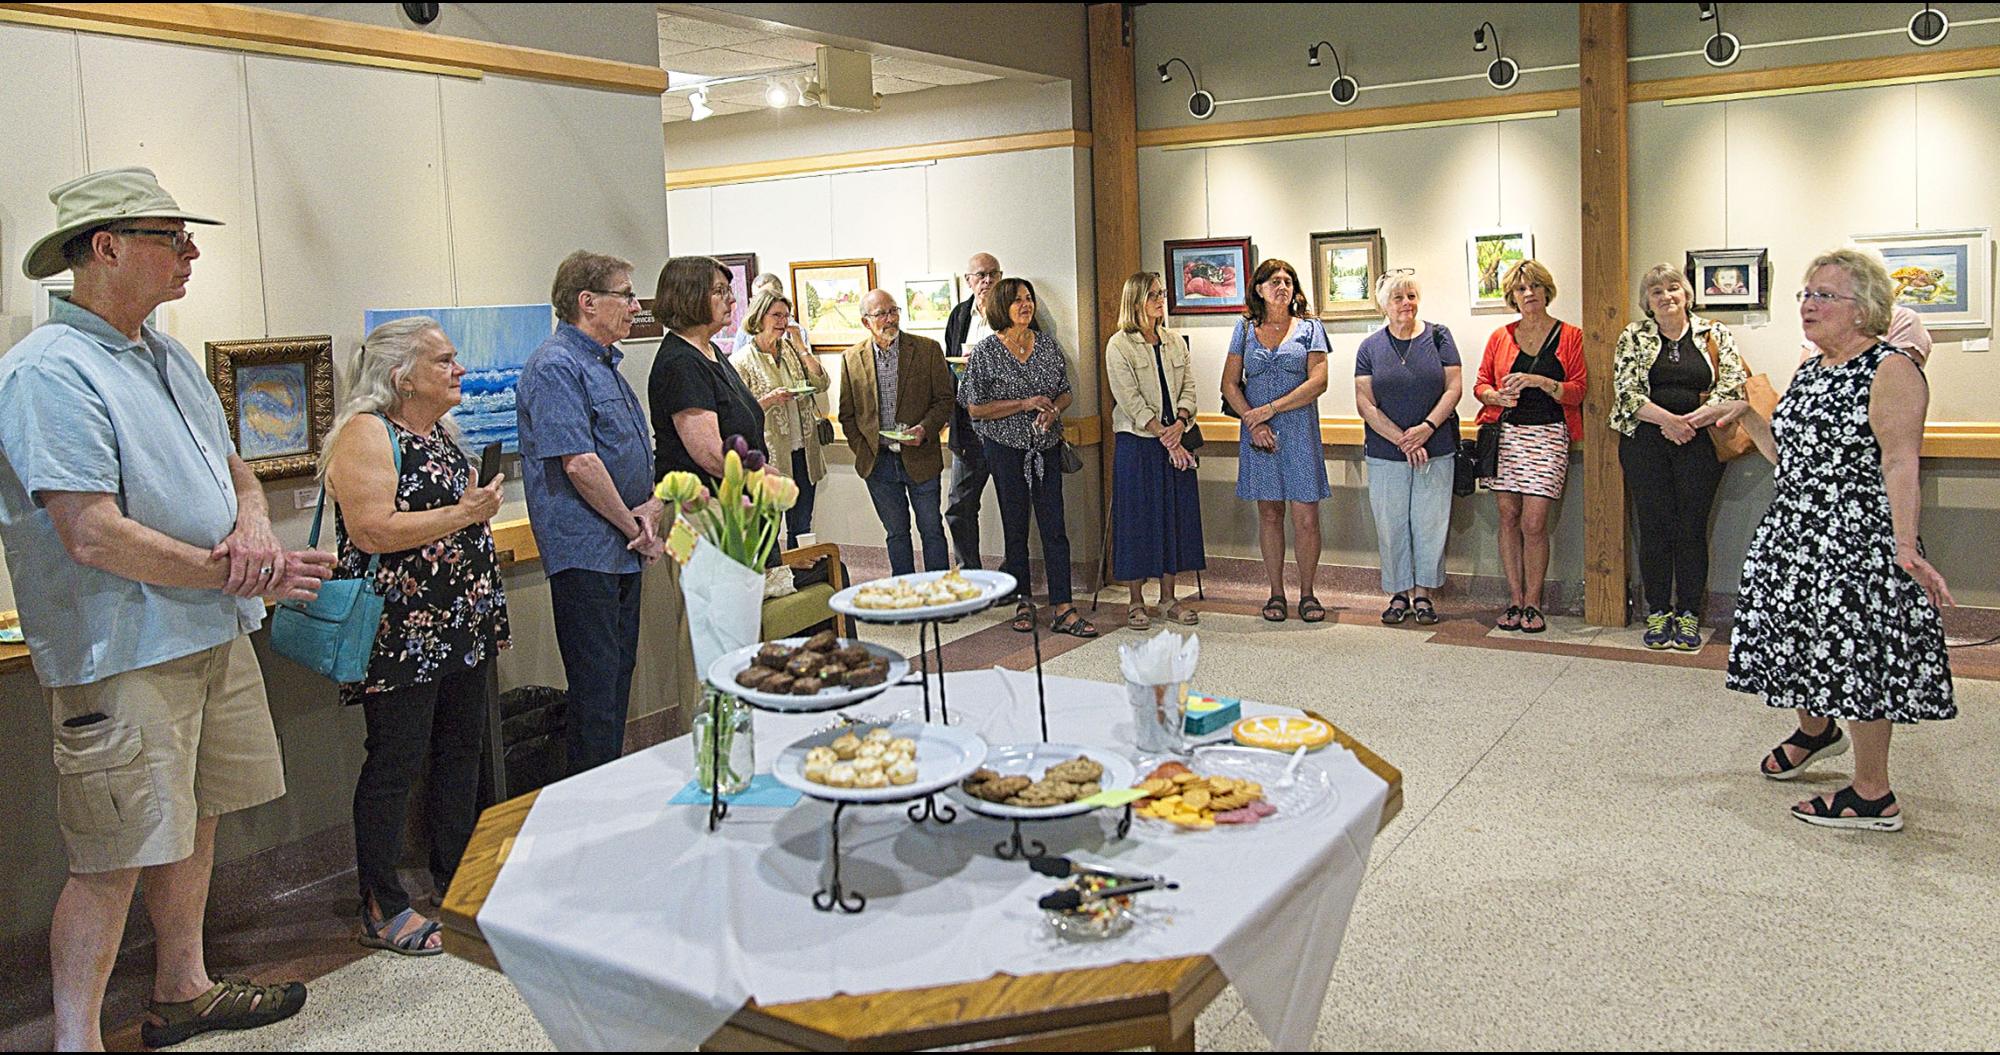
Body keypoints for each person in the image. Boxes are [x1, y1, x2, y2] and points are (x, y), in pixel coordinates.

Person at [0, 167, 327, 1050]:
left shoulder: (169, 354)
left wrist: (254, 528)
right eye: (170, 236)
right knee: (111, 854)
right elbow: (92, 534)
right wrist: (234, 574)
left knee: (196, 814)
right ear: (104, 248)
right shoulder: (47, 372)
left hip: (208, 634)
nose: (191, 251)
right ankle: (75, 1036)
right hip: (123, 649)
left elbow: (240, 470)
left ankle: (182, 989)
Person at [1718, 249, 1954, 831]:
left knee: (1857, 654)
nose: (1809, 305)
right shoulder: (1813, 368)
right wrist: (1748, 415)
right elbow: (1793, 460)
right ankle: (1816, 730)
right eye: (1806, 293)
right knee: (1803, 640)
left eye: (1826, 295)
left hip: (1857, 539)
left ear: (1864, 308)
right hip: (1798, 531)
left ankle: (1873, 794)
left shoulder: (1890, 367)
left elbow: (1901, 463)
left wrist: (1904, 547)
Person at [322, 317, 511, 956]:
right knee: (396, 762)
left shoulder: (440, 434)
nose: (458, 371)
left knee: (462, 750)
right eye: (444, 361)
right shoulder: (365, 434)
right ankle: (382, 903)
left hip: (458, 621)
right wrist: (465, 512)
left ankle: (456, 873)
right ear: (402, 376)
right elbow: (373, 529)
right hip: (401, 629)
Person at [517, 250, 662, 778]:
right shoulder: (556, 365)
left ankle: (610, 792)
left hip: (622, 548)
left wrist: (650, 510)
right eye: (625, 294)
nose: (635, 304)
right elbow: (579, 463)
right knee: (596, 689)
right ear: (588, 302)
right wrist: (634, 525)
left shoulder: (604, 364)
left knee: (616, 680)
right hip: (589, 553)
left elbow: (625, 453)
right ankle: (591, 809)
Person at [1609, 264, 1748, 650]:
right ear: (1647, 302)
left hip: (1701, 443)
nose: (1666, 296)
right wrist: (1669, 422)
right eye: (1657, 292)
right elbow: (1626, 392)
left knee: (1691, 528)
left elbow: (1733, 386)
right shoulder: (1633, 335)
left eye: (1673, 288)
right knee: (1653, 528)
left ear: (1687, 294)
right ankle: (1658, 611)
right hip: (1646, 444)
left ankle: (1688, 612)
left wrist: (1693, 421)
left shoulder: (1714, 333)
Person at [961, 278, 1098, 637]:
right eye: (1017, 300)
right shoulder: (987, 351)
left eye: (1029, 298)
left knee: (1055, 528)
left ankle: (1064, 607)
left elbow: (1064, 392)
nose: (1025, 305)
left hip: (1045, 448)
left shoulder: (1047, 346)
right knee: (1016, 528)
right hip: (1005, 451)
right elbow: (974, 408)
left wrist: (1053, 409)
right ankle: (1024, 600)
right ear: (1001, 307)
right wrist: (1023, 404)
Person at [1473, 258, 1587, 635]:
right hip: (1507, 435)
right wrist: (1495, 396)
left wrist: (1539, 381)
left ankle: (1535, 603)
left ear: (1546, 291)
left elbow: (1578, 390)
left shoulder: (1570, 335)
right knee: (1508, 517)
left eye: (1535, 287)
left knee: (1534, 523)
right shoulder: (1500, 336)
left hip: (1549, 434)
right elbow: (1480, 385)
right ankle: (1515, 599)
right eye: (1521, 289)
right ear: (1512, 297)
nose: (1529, 294)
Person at [1222, 258, 1331, 623]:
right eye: (1273, 281)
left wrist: (1270, 408)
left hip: (1298, 430)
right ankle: (1276, 593)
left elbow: (1318, 382)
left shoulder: (1310, 328)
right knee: (1269, 514)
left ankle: (1309, 594)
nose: (1281, 287)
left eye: (1288, 280)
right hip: (1258, 435)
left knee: (1306, 517)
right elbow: (1230, 384)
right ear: (1259, 289)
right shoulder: (1244, 329)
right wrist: (1254, 422)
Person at [1353, 270, 1461, 626]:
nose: (1407, 304)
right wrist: (1404, 438)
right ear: (1384, 304)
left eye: (1411, 296)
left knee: (1430, 524)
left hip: (1436, 448)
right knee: (1391, 524)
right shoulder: (1370, 347)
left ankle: (1424, 595)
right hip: (1387, 452)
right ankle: (1398, 594)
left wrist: (1426, 429)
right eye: (1398, 298)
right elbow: (1365, 403)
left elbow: (1453, 388)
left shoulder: (1440, 336)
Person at [1105, 271, 1203, 629]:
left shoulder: (1175, 341)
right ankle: (1135, 601)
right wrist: (1163, 434)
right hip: (1139, 444)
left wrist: (1179, 424)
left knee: (1173, 517)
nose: (1161, 300)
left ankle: (1168, 598)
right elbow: (1128, 397)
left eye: (1162, 294)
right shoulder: (1119, 344)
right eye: (1153, 295)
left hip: (1175, 437)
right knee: (1137, 521)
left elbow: (1189, 388)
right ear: (1135, 302)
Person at [838, 289, 955, 576]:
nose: (890, 319)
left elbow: (945, 400)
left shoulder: (927, 349)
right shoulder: (851, 358)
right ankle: (905, 591)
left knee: (931, 529)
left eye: (894, 311)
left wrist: (925, 429)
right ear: (866, 322)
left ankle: (939, 593)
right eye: (882, 314)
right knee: (896, 533)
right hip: (878, 463)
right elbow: (847, 414)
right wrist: (863, 448)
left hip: (921, 456)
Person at [650, 256, 766, 484]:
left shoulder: (709, 349)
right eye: (720, 291)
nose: (732, 299)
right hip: (708, 504)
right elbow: (712, 456)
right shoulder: (681, 363)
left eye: (729, 290)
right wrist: (773, 480)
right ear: (689, 296)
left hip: (739, 497)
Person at [731, 288, 831, 547]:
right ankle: (775, 579)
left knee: (802, 523)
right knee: (769, 526)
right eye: (776, 315)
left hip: (803, 452)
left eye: (786, 316)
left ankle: (802, 575)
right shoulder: (742, 361)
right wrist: (769, 399)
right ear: (759, 317)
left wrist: (801, 345)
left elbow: (821, 383)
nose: (782, 322)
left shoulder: (791, 351)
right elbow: (738, 412)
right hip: (772, 457)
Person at [942, 252, 1010, 569]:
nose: (986, 281)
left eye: (992, 274)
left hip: (1007, 424)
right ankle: (971, 574)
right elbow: (948, 362)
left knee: (1015, 504)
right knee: (959, 504)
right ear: (968, 280)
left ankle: (1015, 575)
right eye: (980, 275)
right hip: (967, 426)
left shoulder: (1014, 313)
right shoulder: (959, 316)